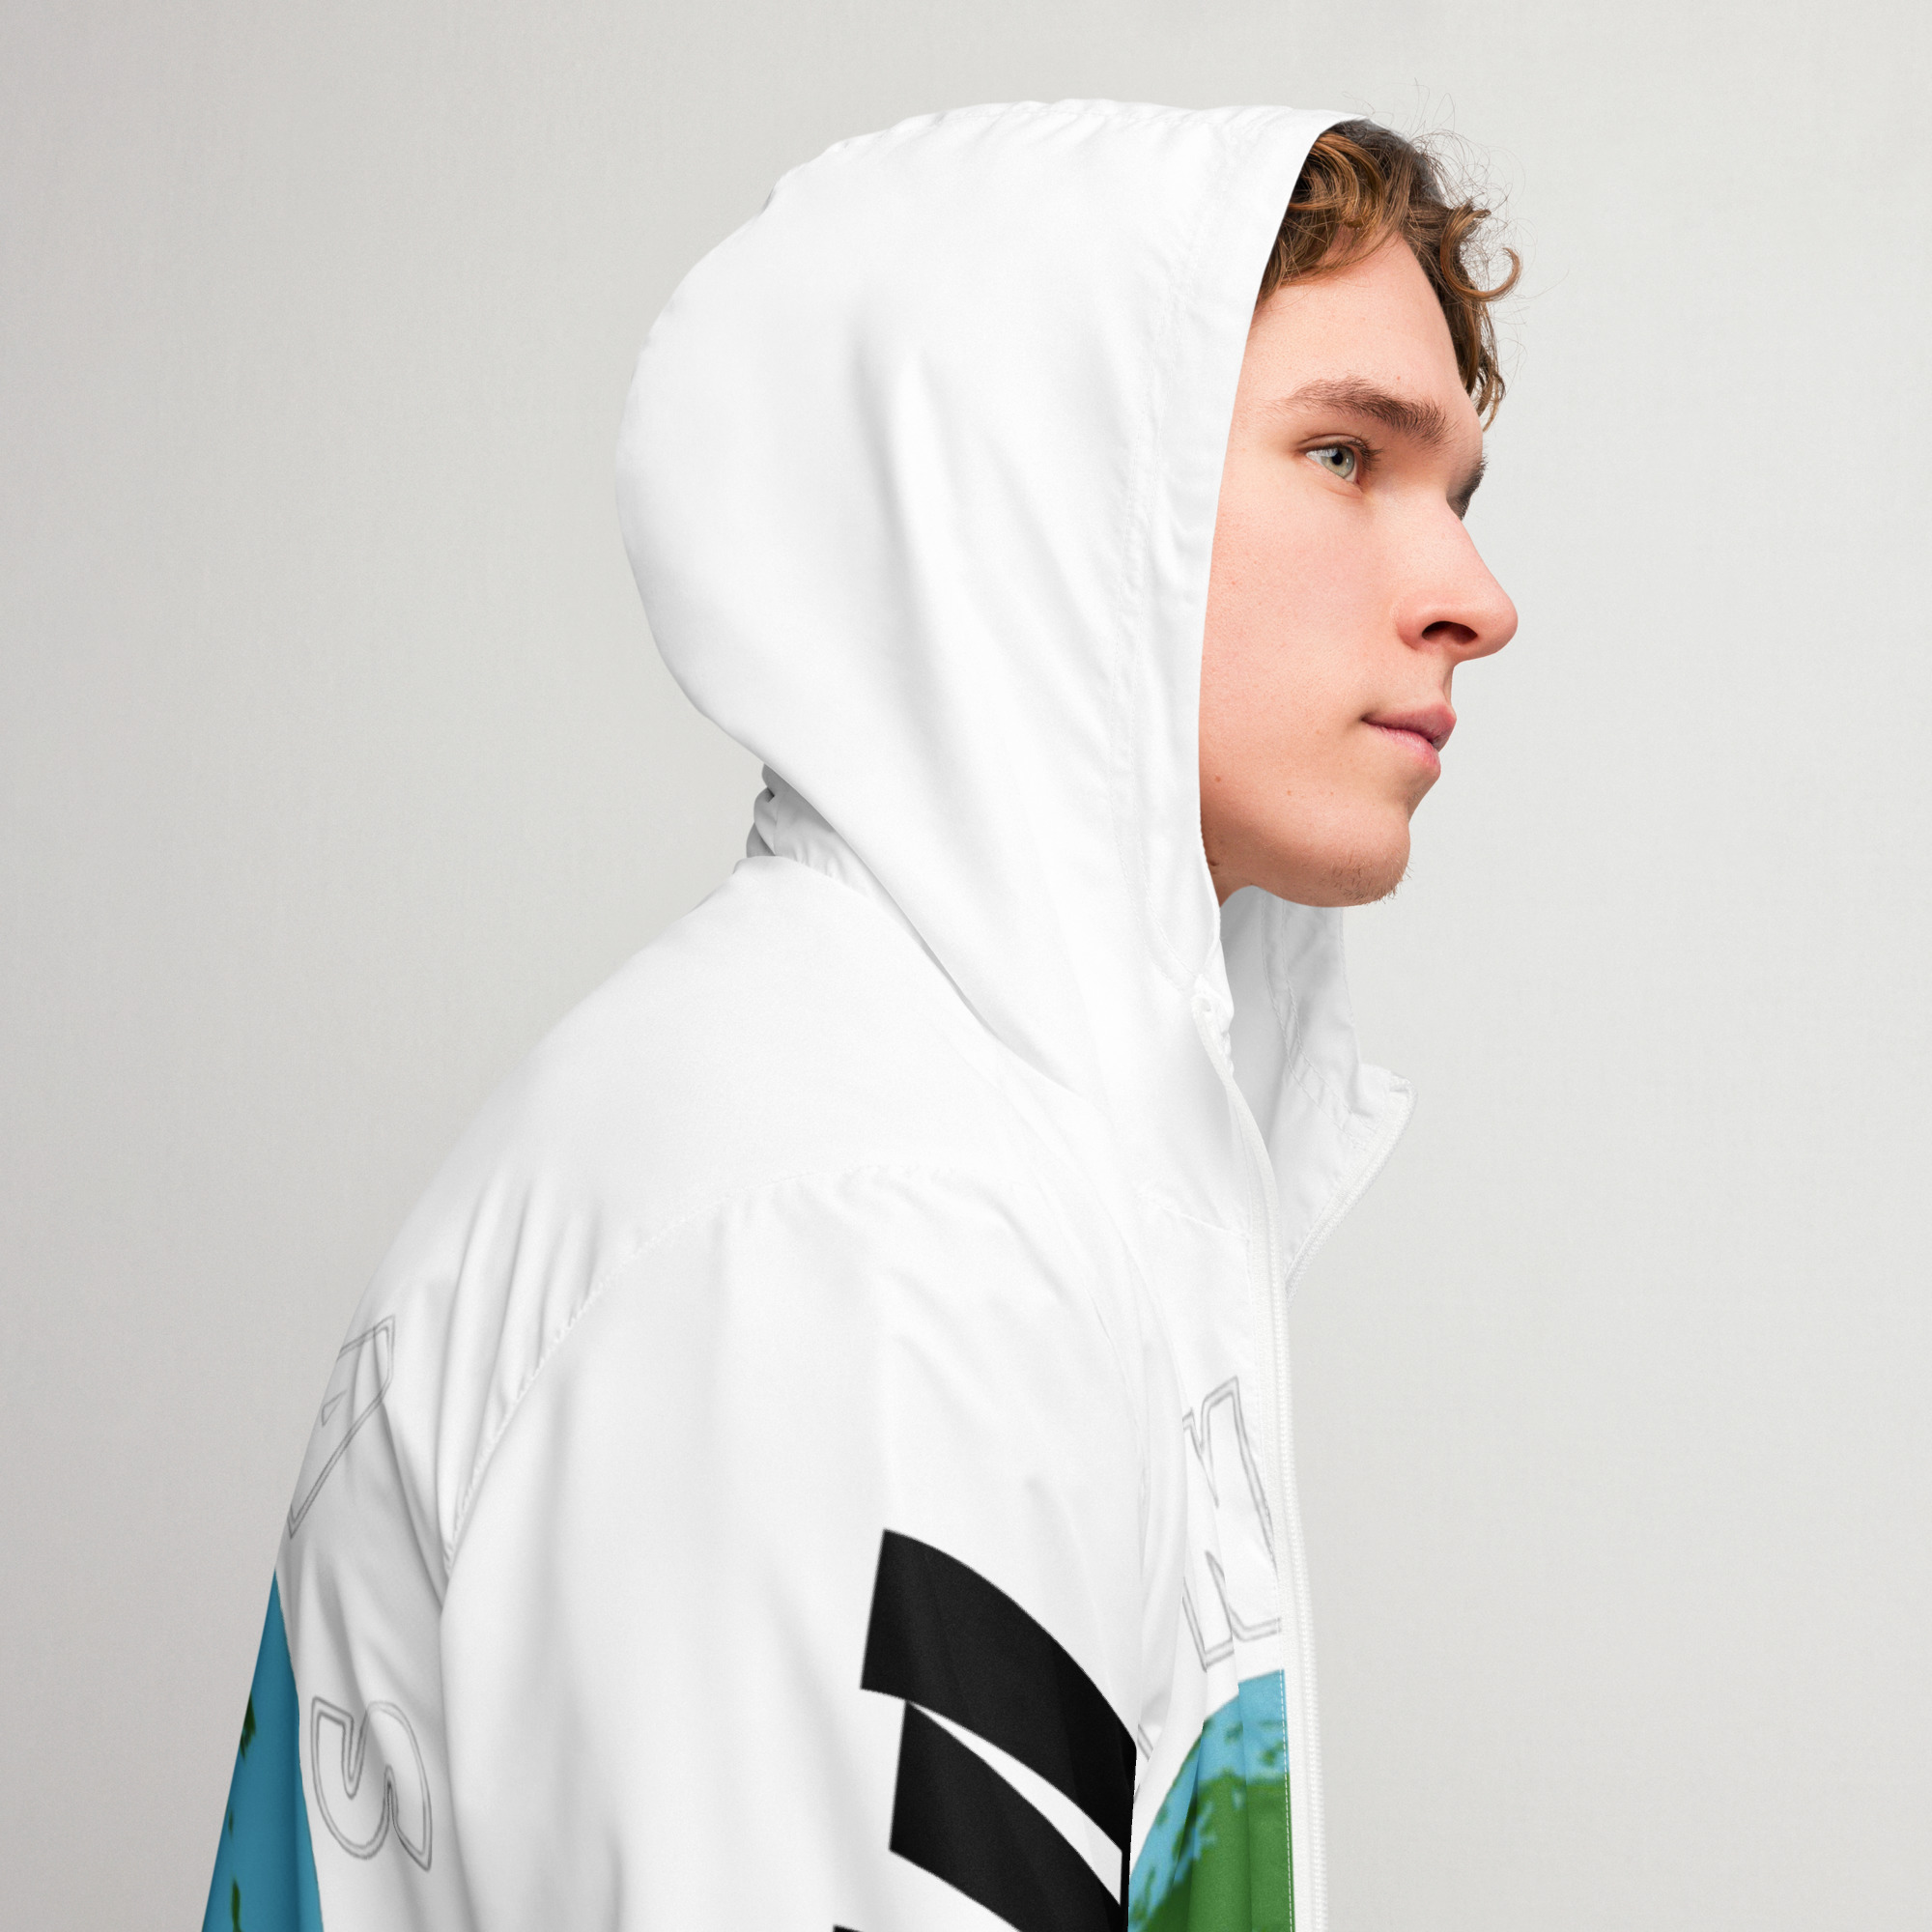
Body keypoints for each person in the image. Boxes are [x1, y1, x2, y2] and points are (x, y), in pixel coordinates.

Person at [202, 100, 1517, 1932]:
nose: (1474, 599)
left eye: (1459, 494)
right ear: (1045, 492)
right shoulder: (875, 1229)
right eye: (1344, 455)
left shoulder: (985, 1144)